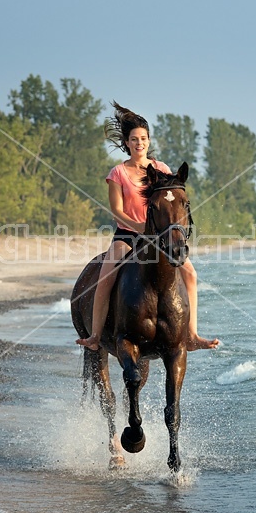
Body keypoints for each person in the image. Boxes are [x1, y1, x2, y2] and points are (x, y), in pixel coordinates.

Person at [76, 102, 219, 351]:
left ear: (149, 140)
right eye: (134, 139)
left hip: (160, 236)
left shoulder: (161, 169)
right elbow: (117, 211)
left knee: (190, 274)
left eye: (143, 138)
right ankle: (96, 335)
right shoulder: (118, 173)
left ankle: (192, 335)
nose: (139, 143)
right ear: (127, 143)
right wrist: (140, 228)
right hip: (128, 235)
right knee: (106, 275)